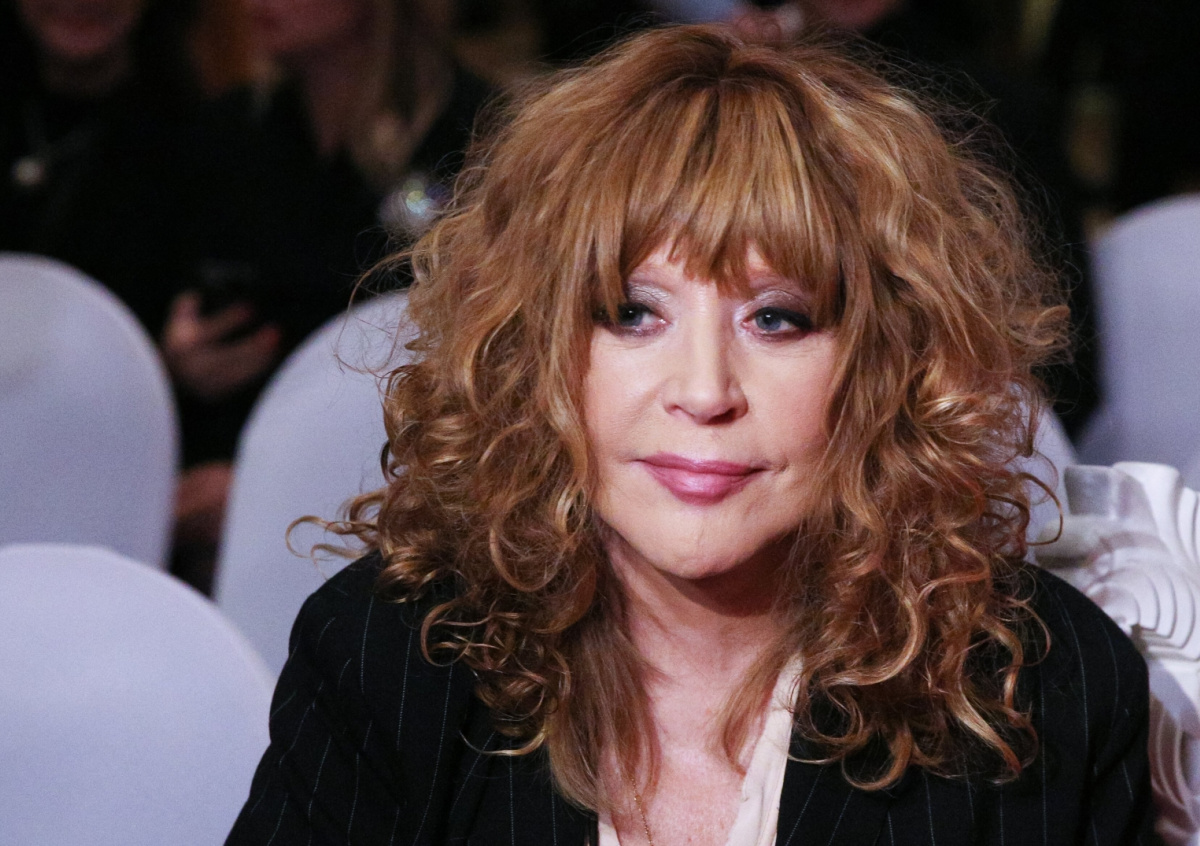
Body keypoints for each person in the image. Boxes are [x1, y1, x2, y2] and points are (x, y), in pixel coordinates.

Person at [227, 25, 1156, 845]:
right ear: (534, 352)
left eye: (777, 318)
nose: (705, 392)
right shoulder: (390, 657)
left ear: (887, 366)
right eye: (632, 313)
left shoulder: (1043, 692)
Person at [164, 0, 494, 591]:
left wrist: (270, 486)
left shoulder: (478, 138)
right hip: (222, 494)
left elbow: (484, 366)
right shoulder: (229, 132)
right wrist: (178, 364)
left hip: (405, 501)